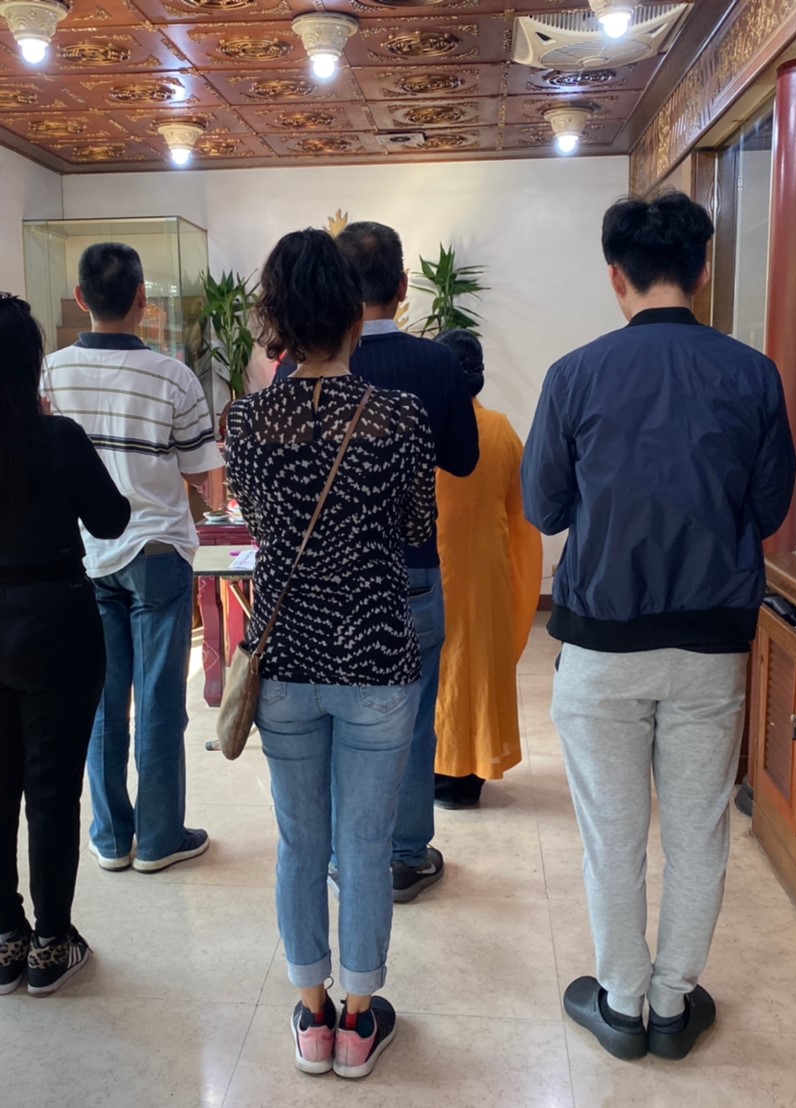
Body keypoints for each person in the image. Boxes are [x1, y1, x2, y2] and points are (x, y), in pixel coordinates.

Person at [522, 192, 796, 1063]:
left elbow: (543, 506)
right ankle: (674, 1005)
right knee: (697, 831)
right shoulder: (752, 374)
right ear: (703, 271)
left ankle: (621, 1001)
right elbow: (770, 508)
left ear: (616, 277)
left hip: (601, 646)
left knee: (612, 835)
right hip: (711, 644)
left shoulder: (574, 375)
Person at [229, 229, 438, 1079]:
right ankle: (358, 1018)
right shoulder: (400, 416)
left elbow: (259, 524)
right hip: (377, 653)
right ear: (356, 315)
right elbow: (417, 530)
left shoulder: (249, 420)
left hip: (284, 658)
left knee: (298, 839)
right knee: (364, 841)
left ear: (277, 322)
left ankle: (311, 1015)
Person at [0, 292, 131, 997]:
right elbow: (111, 519)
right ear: (28, 363)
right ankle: (50, 944)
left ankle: (3, 938)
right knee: (51, 790)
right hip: (53, 624)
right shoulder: (57, 438)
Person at [273, 221, 478, 902]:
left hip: (314, 581)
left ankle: (343, 852)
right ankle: (406, 852)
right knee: (411, 718)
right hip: (409, 568)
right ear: (402, 285)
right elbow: (464, 459)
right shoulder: (436, 365)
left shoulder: (294, 370)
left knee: (329, 722)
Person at [42, 244, 223, 875]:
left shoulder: (49, 374)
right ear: (144, 300)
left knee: (100, 700)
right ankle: (160, 837)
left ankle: (112, 837)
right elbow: (205, 475)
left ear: (80, 298)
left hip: (84, 556)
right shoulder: (173, 376)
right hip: (156, 551)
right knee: (158, 700)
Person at [429, 329, 542, 809]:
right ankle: (475, 768)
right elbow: (523, 513)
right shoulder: (500, 430)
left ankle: (436, 767)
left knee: (439, 668)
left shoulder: (420, 429)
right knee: (479, 665)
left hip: (432, 570)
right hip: (488, 572)